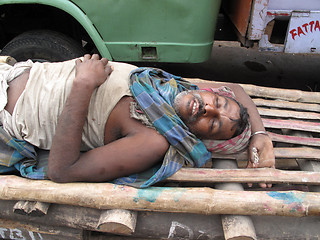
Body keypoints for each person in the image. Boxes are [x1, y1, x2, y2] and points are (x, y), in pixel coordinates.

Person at [0, 54, 275, 188]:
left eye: (213, 124)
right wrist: (260, 134)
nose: (207, 109)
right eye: (216, 102)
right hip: (14, 71)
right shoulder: (169, 87)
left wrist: (84, 84)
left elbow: (62, 171)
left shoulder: (152, 139)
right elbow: (236, 90)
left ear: (200, 139)